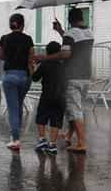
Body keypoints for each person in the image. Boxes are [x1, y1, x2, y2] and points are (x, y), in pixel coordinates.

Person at [38, 8, 94, 153]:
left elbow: (66, 53)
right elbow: (74, 44)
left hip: (73, 76)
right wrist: (61, 31)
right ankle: (69, 135)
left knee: (74, 110)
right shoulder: (89, 32)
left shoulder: (70, 34)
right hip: (86, 76)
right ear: (81, 18)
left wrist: (44, 58)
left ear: (70, 19)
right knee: (74, 108)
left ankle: (82, 143)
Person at [0, 12, 34, 151]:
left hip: (10, 76)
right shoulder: (28, 39)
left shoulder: (4, 38)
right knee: (18, 105)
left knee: (13, 108)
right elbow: (32, 57)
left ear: (10, 24)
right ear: (22, 25)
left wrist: (9, 55)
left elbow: (0, 56)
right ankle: (15, 136)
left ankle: (16, 139)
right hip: (24, 77)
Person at [32, 41, 67, 154]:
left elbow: (35, 78)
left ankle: (42, 139)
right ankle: (52, 144)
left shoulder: (44, 65)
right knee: (56, 120)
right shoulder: (63, 67)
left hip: (46, 95)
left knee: (41, 117)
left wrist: (33, 67)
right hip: (60, 97)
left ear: (47, 52)